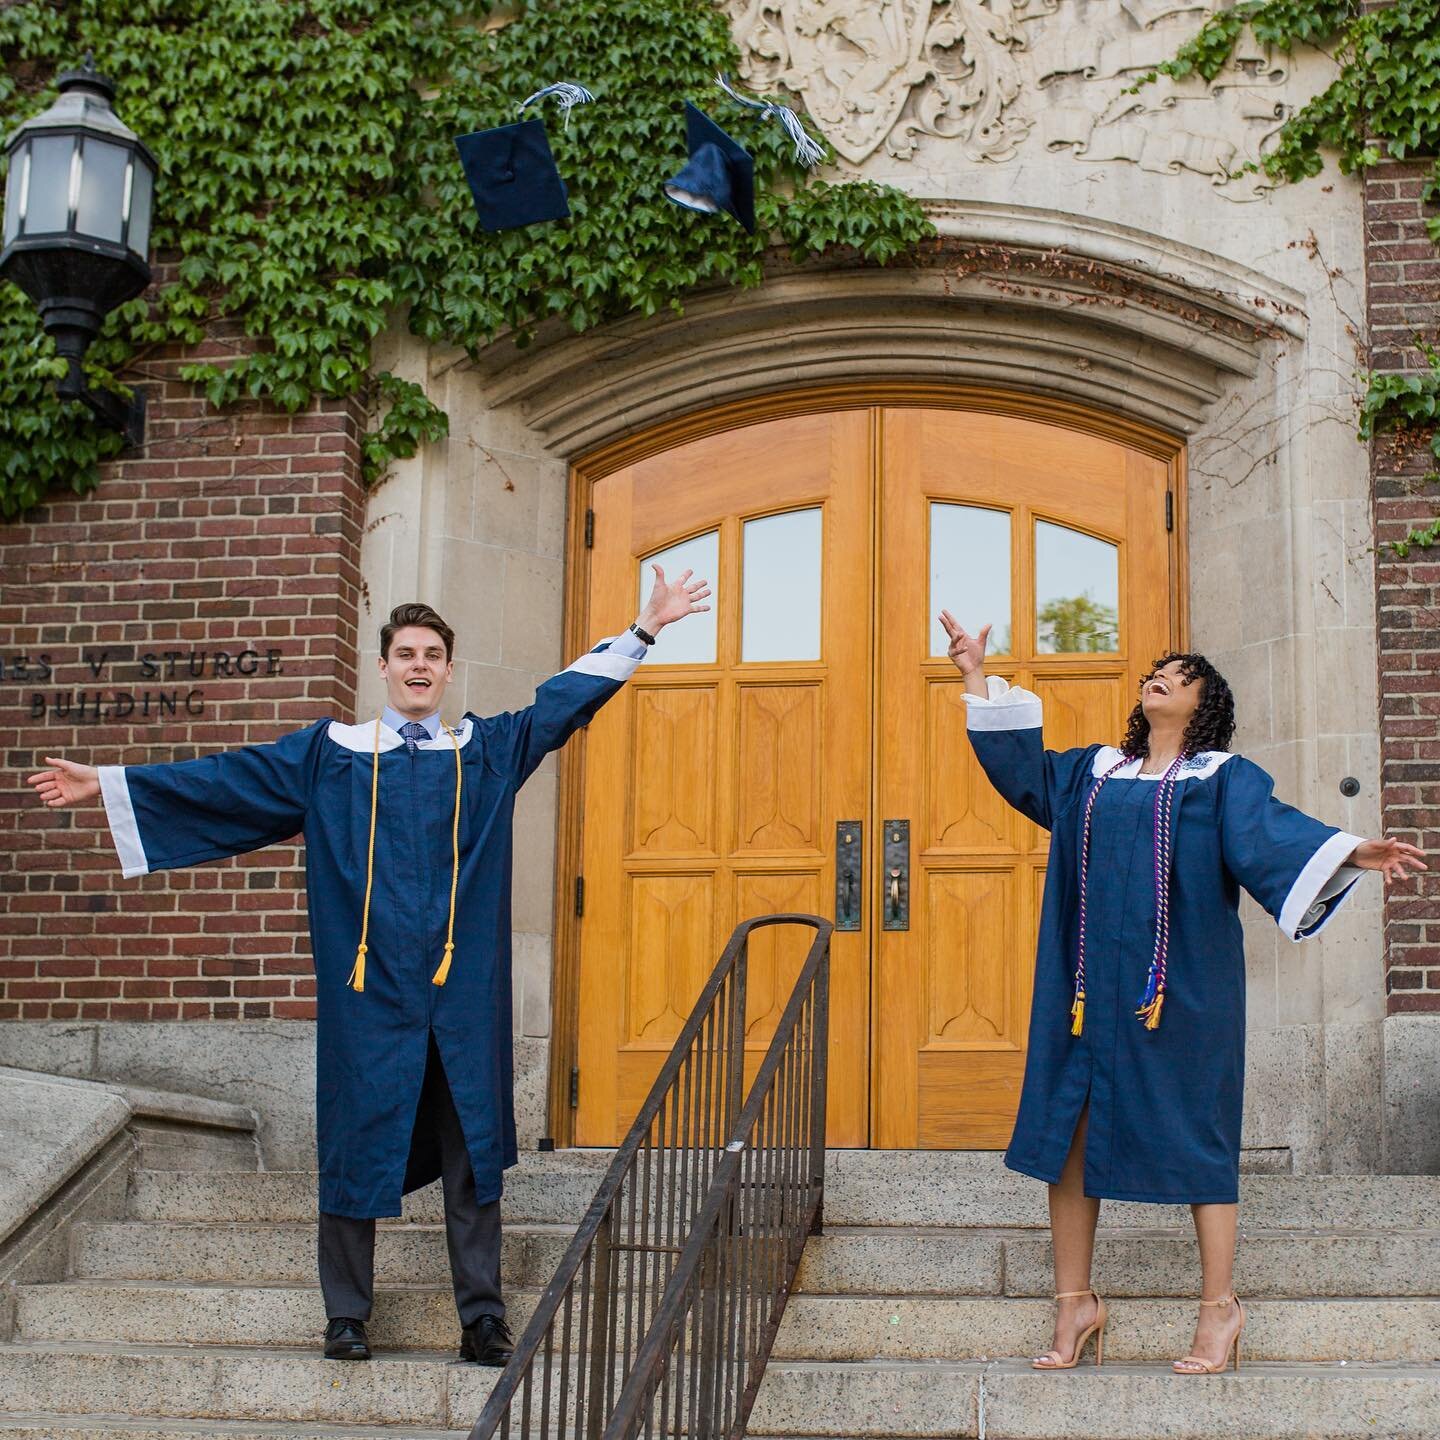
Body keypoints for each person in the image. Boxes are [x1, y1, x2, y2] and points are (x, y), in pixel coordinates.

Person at [27, 569, 710, 1366]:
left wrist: (646, 627)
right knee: (354, 1142)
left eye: (432, 655)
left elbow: (561, 703)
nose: (418, 666)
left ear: (448, 671)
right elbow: (223, 782)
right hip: (369, 992)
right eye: (405, 654)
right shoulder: (332, 759)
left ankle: (482, 1317)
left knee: (472, 1152)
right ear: (382, 668)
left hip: (463, 993)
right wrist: (110, 783)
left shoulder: (483, 757)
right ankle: (346, 1315)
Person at [938, 612, 1425, 1376]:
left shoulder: (1222, 779)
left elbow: (1272, 835)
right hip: (1087, 986)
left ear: (1204, 704)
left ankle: (1218, 1310)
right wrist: (973, 674)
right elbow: (1022, 773)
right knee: (1069, 1128)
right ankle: (1075, 1305)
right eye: (1159, 669)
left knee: (1198, 1128)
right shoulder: (1091, 774)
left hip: (1182, 988)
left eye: (1183, 674)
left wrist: (1351, 850)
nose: (1162, 675)